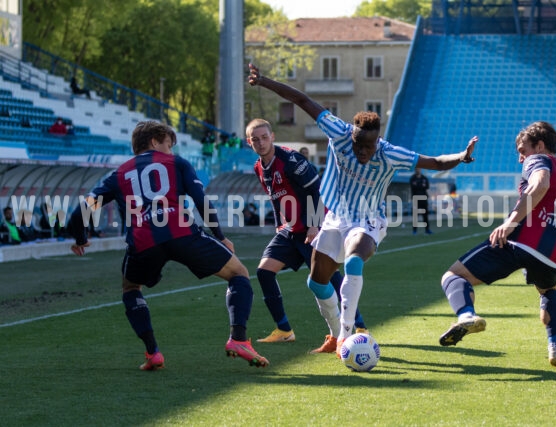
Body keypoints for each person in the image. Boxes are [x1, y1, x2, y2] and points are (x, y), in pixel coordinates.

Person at [248, 63, 477, 357]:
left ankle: (346, 334)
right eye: (358, 146)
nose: (362, 153)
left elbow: (435, 162)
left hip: (369, 221)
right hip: (335, 217)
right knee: (316, 283)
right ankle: (334, 336)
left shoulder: (389, 153)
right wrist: (265, 81)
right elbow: (302, 100)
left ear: (377, 141)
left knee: (354, 261)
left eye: (367, 148)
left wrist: (462, 156)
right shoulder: (340, 133)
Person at [66, 120, 269, 370]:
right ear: (155, 141)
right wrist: (220, 236)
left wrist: (80, 238)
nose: (171, 151)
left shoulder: (117, 175)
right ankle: (238, 339)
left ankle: (153, 353)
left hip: (143, 242)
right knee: (238, 273)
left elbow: (80, 212)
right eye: (168, 145)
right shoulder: (177, 164)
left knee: (131, 289)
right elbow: (200, 201)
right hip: (182, 234)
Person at [438, 121, 556, 369]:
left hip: (521, 241)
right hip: (552, 253)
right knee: (548, 291)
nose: (520, 158)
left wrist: (510, 222)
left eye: (522, 150)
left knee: (453, 276)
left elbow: (541, 184)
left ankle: (466, 316)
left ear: (539, 145)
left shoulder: (538, 160)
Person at [245, 118, 367, 352]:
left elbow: (317, 191)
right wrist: (279, 223)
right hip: (290, 231)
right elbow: (275, 197)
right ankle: (284, 330)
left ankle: (359, 327)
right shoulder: (259, 167)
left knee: (329, 277)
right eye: (255, 139)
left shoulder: (290, 160)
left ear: (272, 137)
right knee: (264, 272)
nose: (260, 142)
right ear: (249, 143)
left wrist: (314, 224)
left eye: (264, 137)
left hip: (314, 227)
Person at [410, 168, 432, 235]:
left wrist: (418, 185)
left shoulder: (424, 178)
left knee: (425, 215)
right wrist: (421, 186)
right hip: (415, 199)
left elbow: (427, 187)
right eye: (416, 169)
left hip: (424, 198)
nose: (418, 170)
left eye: (419, 169)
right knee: (415, 216)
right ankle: (414, 231)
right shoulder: (412, 178)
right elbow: (413, 187)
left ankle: (427, 230)